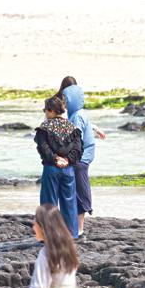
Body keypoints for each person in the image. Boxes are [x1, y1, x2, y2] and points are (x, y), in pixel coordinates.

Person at [35, 96, 82, 238]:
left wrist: (56, 159)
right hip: (68, 169)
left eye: (45, 110)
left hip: (51, 168)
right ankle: (72, 234)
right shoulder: (73, 128)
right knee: (69, 201)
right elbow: (78, 149)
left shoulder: (44, 128)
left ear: (51, 110)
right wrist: (67, 160)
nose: (44, 112)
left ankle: (50, 235)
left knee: (49, 203)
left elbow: (43, 148)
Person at [63, 83, 106, 237]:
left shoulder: (77, 116)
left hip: (80, 159)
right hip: (81, 157)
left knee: (79, 193)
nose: (64, 103)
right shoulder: (77, 113)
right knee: (76, 191)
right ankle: (74, 227)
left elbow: (76, 138)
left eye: (66, 99)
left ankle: (79, 229)